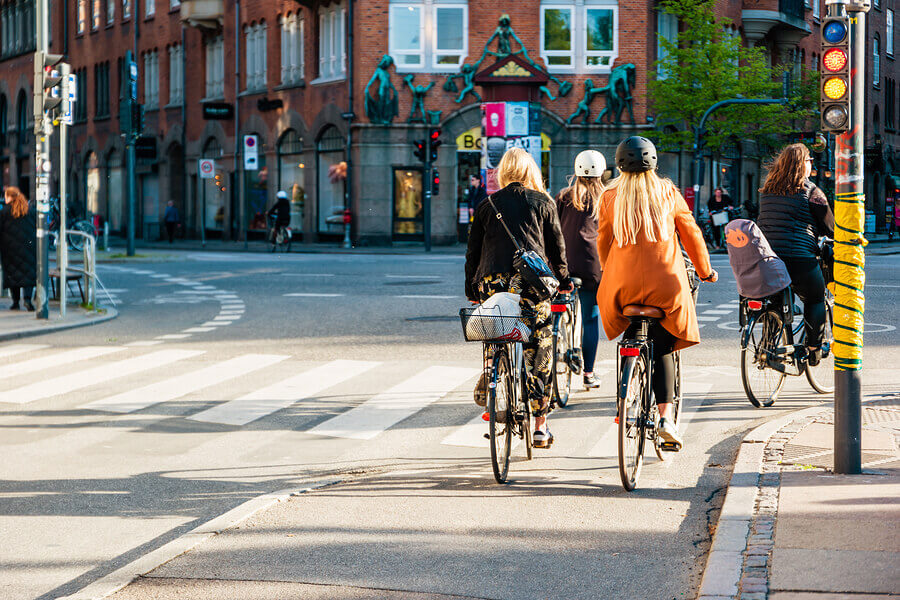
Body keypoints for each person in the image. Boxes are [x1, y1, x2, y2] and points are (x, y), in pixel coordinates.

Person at [596, 137, 717, 450]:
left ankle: (625, 398)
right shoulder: (666, 191)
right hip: (665, 284)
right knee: (663, 346)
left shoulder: (610, 196)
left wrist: (610, 271)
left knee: (631, 331)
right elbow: (691, 234)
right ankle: (665, 418)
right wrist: (704, 270)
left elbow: (603, 242)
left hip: (623, 286)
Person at [465, 148, 572, 449]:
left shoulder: (486, 205)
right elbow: (557, 248)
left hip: (491, 283)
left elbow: (472, 251)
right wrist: (563, 281)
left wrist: (473, 290)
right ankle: (540, 427)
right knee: (539, 348)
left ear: (503, 173)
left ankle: (492, 365)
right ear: (531, 172)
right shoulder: (543, 202)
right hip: (529, 287)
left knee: (495, 326)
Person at [756, 143, 834, 365]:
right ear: (803, 165)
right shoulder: (811, 191)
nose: (812, 164)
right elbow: (830, 227)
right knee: (815, 298)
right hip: (799, 258)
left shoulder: (768, 189)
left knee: (774, 299)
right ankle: (813, 349)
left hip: (768, 258)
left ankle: (768, 345)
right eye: (810, 160)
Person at [555, 150, 607, 389]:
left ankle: (558, 340)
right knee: (590, 318)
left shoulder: (564, 196)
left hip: (563, 265)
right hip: (592, 267)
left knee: (557, 308)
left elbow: (553, 229)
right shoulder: (606, 198)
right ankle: (588, 373)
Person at [0, 186, 37, 311]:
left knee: (13, 273)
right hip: (28, 247)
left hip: (9, 249)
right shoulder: (29, 210)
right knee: (28, 272)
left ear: (10, 197)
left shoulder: (4, 212)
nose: (4, 198)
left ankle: (15, 302)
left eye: (5, 196)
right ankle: (27, 300)